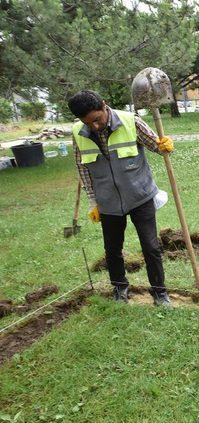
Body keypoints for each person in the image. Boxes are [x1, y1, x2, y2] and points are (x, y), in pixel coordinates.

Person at [68, 90, 174, 306]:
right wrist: (93, 201)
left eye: (97, 120)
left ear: (104, 105)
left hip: (140, 196)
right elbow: (83, 168)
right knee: (112, 249)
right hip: (107, 202)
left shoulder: (130, 121)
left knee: (151, 246)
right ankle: (120, 288)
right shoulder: (79, 132)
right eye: (88, 123)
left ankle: (160, 292)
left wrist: (163, 146)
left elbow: (155, 144)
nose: (95, 126)